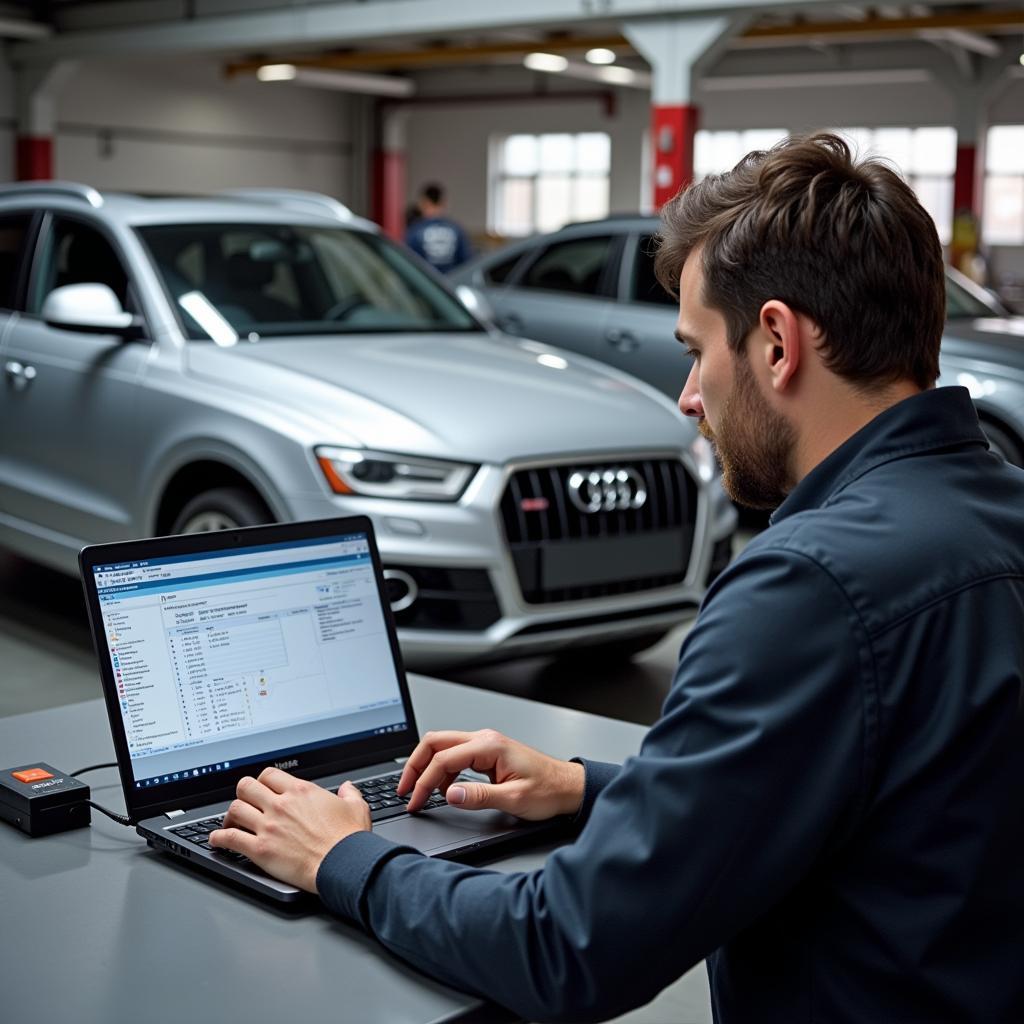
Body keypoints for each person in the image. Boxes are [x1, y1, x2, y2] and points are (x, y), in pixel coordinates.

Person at [211, 134, 1024, 1022]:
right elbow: (867, 790)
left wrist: (346, 860)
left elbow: (566, 949)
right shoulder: (998, 509)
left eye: (696, 349)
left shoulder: (808, 589)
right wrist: (587, 788)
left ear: (778, 343)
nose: (688, 396)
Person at [404, 182, 472, 273]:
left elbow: (408, 263)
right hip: (451, 283)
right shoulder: (457, 230)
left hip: (424, 283)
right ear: (443, 202)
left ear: (424, 202)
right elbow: (467, 263)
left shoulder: (415, 231)